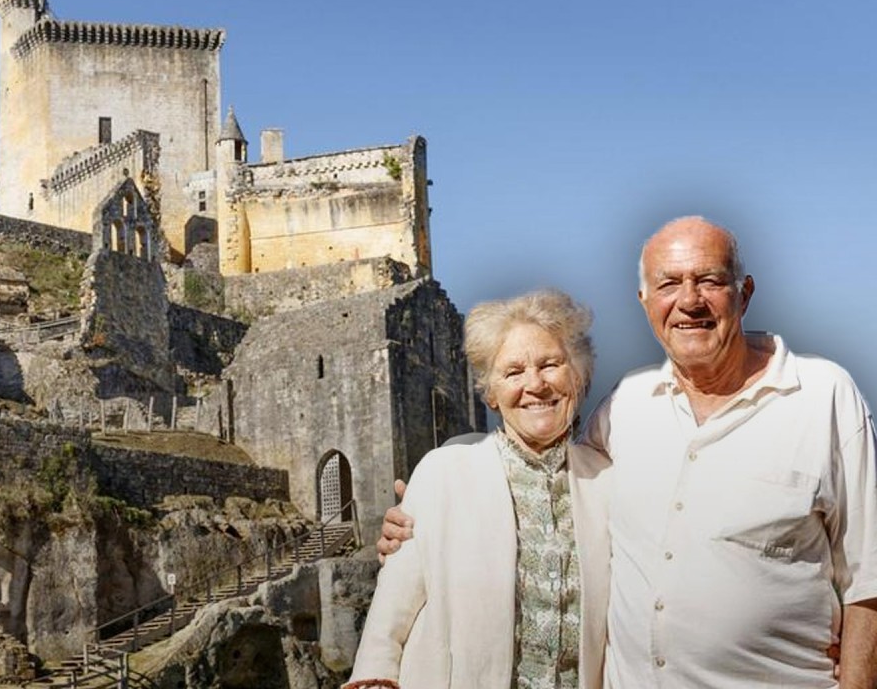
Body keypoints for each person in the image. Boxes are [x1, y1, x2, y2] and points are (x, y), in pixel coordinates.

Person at [377, 216, 877, 688]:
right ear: (644, 301)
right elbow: (527, 454)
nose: (689, 301)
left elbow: (869, 579)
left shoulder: (823, 396)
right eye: (668, 283)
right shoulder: (628, 407)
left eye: (709, 280)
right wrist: (424, 503)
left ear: (743, 293)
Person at [346, 289, 611, 689]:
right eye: (513, 372)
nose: (535, 384)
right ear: (491, 393)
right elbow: (392, 610)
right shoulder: (442, 472)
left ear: (579, 376)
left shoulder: (608, 482)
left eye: (551, 364)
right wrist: (375, 677)